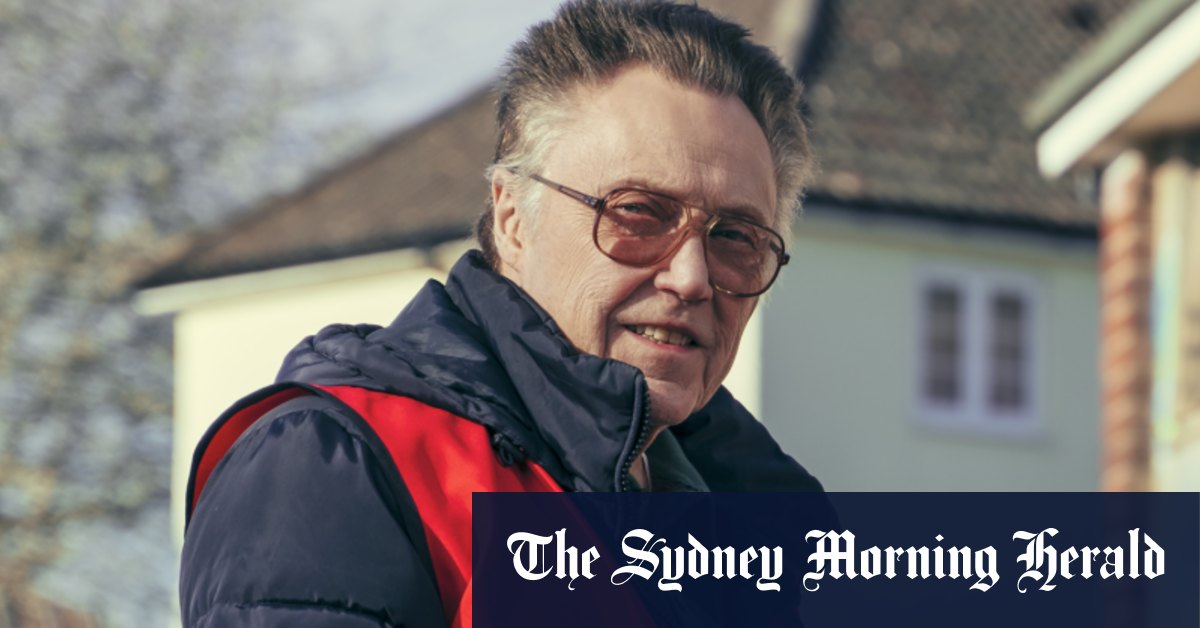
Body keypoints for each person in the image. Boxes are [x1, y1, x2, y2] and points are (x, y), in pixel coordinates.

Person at [179, 1, 826, 626]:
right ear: (512, 218)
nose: (691, 278)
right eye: (636, 213)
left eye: (735, 237)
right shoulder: (338, 463)